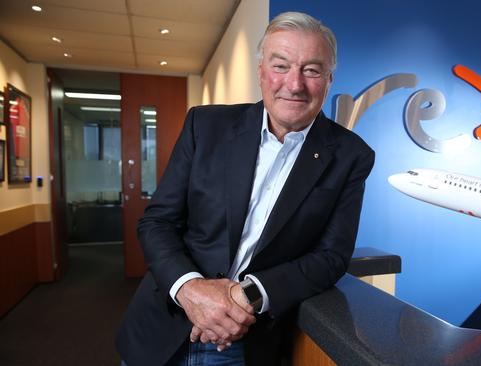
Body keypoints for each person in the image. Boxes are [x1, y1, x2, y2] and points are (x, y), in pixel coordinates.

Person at [115, 11, 375, 366]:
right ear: (261, 72)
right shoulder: (205, 126)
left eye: (312, 70)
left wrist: (245, 296)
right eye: (281, 66)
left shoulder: (350, 155)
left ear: (329, 79)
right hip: (163, 324)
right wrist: (190, 289)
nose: (294, 84)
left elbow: (331, 257)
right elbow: (157, 222)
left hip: (246, 340)